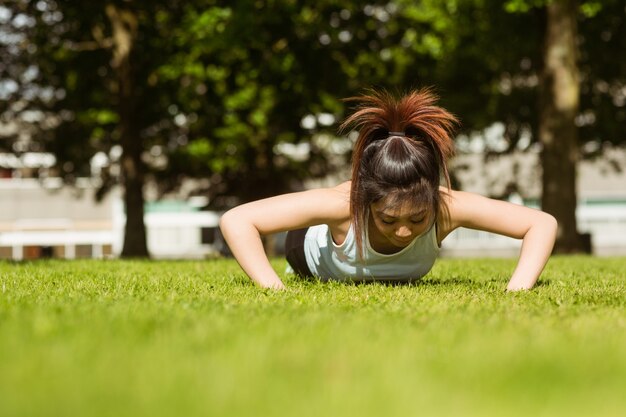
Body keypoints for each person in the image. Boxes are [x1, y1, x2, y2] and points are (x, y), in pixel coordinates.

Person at [219, 88, 557, 291]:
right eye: (389, 219)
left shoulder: (445, 207)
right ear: (366, 200)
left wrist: (518, 290)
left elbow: (541, 223)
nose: (405, 230)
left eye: (418, 218)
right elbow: (237, 221)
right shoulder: (342, 204)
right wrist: (273, 289)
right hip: (307, 249)